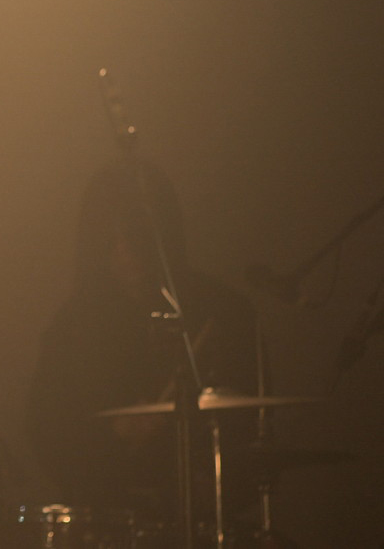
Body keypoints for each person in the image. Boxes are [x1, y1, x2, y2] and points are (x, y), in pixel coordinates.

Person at [25, 157, 256, 532]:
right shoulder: (74, 327)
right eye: (112, 240)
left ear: (161, 235)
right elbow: (46, 433)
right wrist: (113, 434)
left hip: (203, 522)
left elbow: (254, 436)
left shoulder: (223, 312)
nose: (126, 251)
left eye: (135, 236)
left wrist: (214, 479)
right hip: (106, 522)